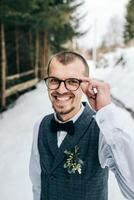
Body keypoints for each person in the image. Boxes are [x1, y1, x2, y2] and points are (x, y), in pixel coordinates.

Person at [29, 51, 134, 200]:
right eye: (54, 80)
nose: (61, 89)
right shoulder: (40, 125)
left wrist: (106, 111)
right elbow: (37, 183)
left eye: (72, 81)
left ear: (84, 85)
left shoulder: (103, 130)